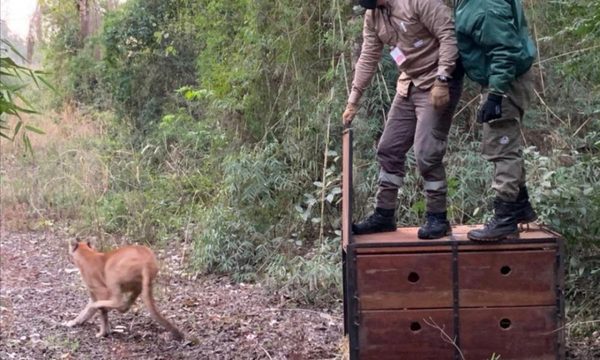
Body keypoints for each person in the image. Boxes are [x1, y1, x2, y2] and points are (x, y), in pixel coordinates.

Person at [343, 0, 463, 239]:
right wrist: (354, 99)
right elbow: (368, 56)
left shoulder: (417, 2)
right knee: (389, 149)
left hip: (437, 84)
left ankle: (437, 217)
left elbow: (449, 34)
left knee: (426, 153)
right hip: (408, 83)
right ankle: (384, 214)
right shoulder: (373, 16)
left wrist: (442, 79)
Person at [454, 0, 537, 242]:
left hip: (505, 81)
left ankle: (505, 219)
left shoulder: (485, 6)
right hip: (501, 78)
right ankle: (520, 206)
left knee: (501, 146)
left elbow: (504, 49)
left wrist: (496, 95)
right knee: (505, 142)